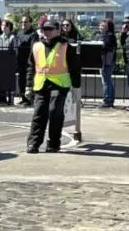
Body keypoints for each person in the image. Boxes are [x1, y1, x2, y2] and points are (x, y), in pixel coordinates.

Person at [24, 20, 81, 153]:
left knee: (55, 112)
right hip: (41, 84)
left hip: (59, 84)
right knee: (39, 114)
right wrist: (28, 86)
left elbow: (75, 68)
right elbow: (31, 68)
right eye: (44, 29)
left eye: (50, 29)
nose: (47, 32)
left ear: (58, 30)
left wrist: (76, 88)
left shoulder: (66, 47)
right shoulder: (37, 46)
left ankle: (54, 143)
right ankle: (33, 144)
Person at [14, 16, 39, 106]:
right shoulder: (19, 33)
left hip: (29, 62)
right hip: (20, 61)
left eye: (26, 22)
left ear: (30, 23)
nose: (23, 24)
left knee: (29, 81)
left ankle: (29, 99)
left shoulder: (33, 34)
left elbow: (34, 49)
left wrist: (31, 61)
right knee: (21, 80)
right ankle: (23, 98)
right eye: (22, 22)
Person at [97, 19, 117, 108]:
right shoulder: (106, 35)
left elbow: (105, 48)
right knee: (108, 81)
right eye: (100, 25)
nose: (101, 27)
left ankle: (107, 100)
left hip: (106, 62)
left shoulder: (108, 36)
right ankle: (110, 99)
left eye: (104, 26)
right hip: (107, 61)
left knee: (106, 81)